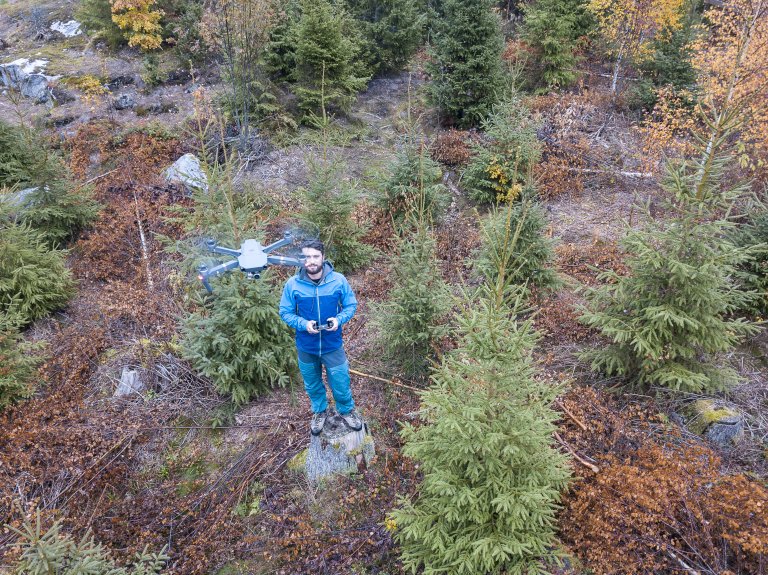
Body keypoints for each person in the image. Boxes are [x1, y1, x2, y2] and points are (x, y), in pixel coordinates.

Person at [279, 239, 363, 435]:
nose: (311, 261)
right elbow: (285, 312)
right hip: (306, 347)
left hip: (332, 344)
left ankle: (347, 410)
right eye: (307, 257)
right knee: (312, 383)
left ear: (323, 258)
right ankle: (319, 412)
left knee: (341, 381)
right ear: (302, 260)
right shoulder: (293, 285)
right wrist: (303, 324)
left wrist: (339, 319)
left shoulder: (338, 280)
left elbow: (351, 305)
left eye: (315, 256)